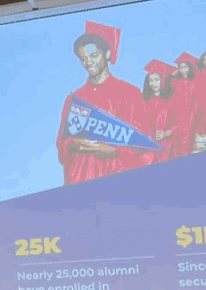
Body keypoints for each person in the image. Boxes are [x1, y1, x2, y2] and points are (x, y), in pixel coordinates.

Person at [57, 22, 151, 184]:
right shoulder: (75, 99)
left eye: (94, 56)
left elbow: (143, 144)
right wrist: (74, 144)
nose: (89, 62)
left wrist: (112, 150)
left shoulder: (129, 94)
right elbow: (62, 145)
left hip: (115, 178)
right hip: (79, 178)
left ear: (107, 54)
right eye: (83, 58)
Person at [142, 59, 178, 164]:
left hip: (168, 146)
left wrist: (166, 133)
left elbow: (180, 122)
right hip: (150, 146)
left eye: (156, 79)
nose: (153, 83)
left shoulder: (172, 99)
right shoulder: (145, 101)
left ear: (163, 79)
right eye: (150, 80)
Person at [171, 52, 200, 156]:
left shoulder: (194, 81)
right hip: (176, 114)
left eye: (185, 67)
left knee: (186, 141)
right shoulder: (175, 81)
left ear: (190, 67)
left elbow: (196, 101)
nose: (183, 69)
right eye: (181, 67)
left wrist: (192, 115)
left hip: (189, 114)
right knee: (176, 141)